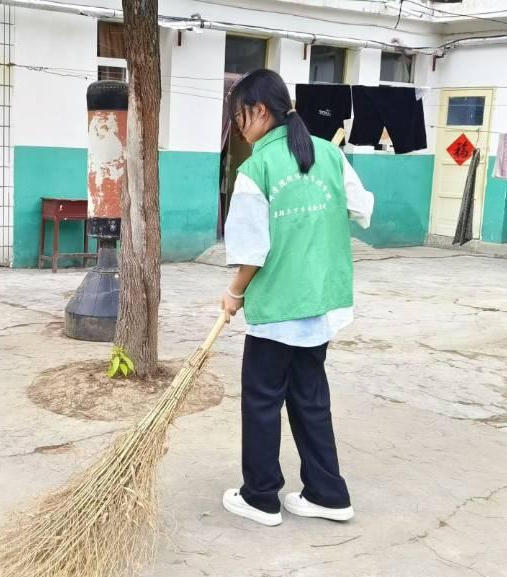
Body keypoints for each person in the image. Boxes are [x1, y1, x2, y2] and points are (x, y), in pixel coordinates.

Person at [220, 70, 374, 527]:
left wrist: (233, 294)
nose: (240, 128)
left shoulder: (256, 169)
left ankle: (261, 496)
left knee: (262, 401)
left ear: (261, 111)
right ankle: (328, 494)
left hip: (277, 311)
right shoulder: (328, 154)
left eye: (240, 117)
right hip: (320, 304)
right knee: (309, 398)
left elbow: (251, 251)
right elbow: (362, 207)